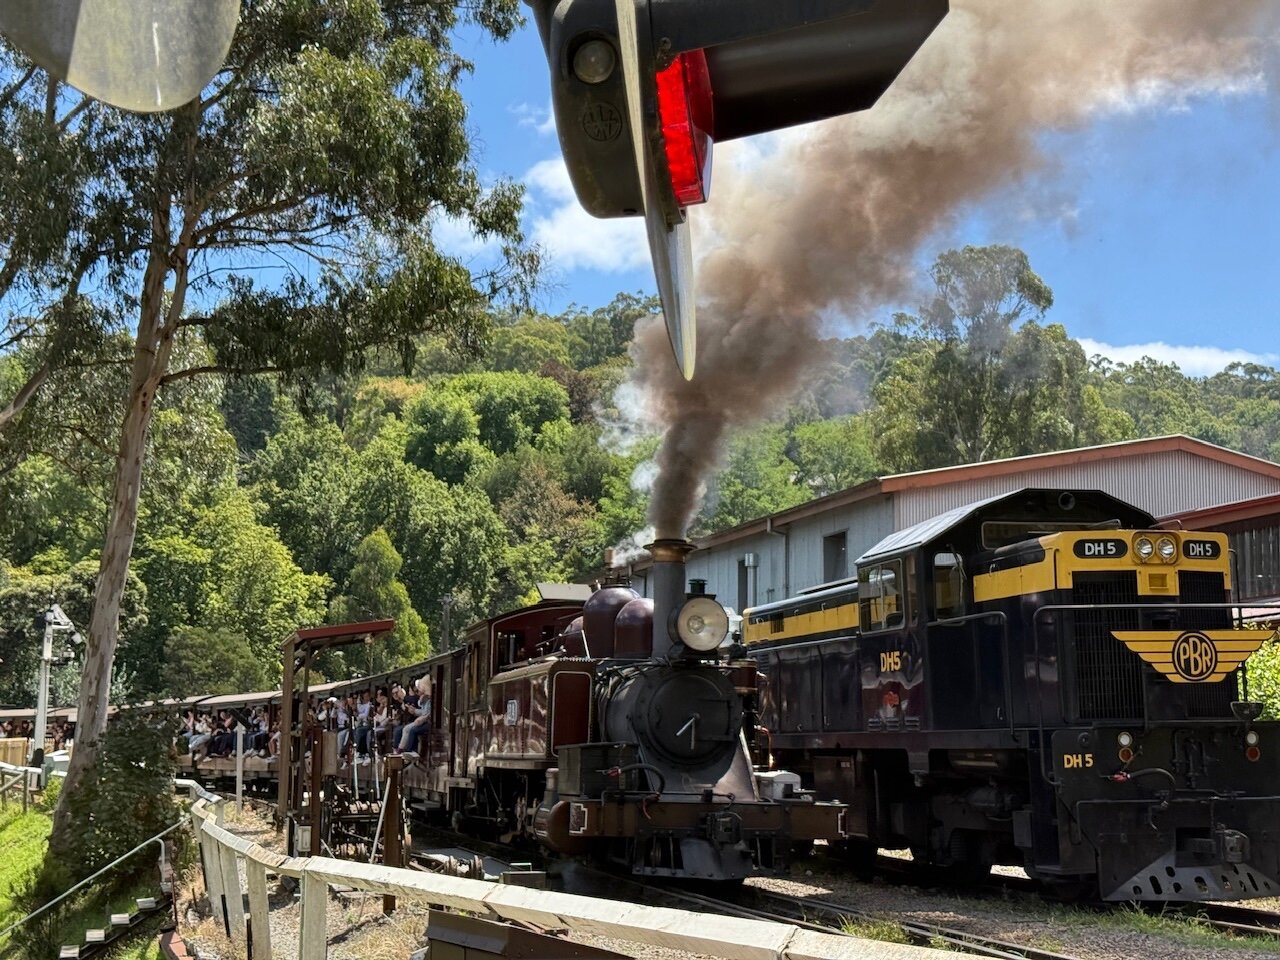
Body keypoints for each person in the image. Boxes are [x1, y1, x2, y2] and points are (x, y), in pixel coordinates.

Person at [398, 676, 433, 756]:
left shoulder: (428, 699)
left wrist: (415, 711)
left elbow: (426, 712)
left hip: (428, 721)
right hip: (424, 719)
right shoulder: (425, 698)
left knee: (412, 730)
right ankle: (403, 749)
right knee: (407, 728)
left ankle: (410, 751)